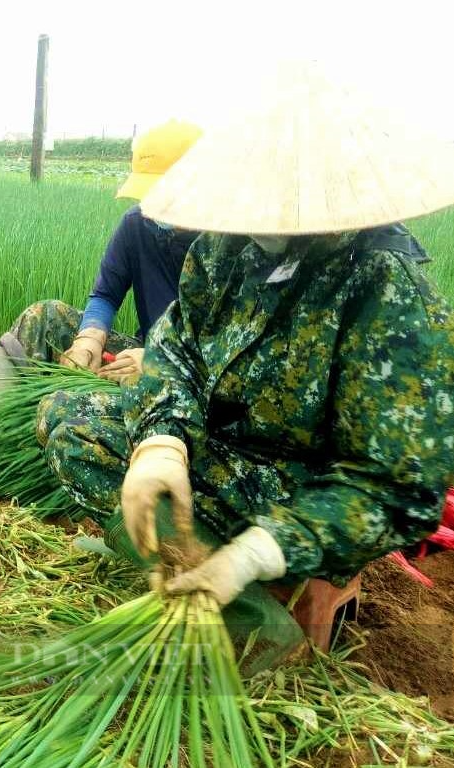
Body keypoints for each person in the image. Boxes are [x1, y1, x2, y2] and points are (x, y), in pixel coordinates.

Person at [38, 63, 454, 651]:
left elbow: (398, 486)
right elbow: (175, 349)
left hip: (305, 492)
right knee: (68, 420)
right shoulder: (224, 250)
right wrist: (163, 442)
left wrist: (263, 550)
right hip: (227, 460)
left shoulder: (384, 289)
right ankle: (189, 562)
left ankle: (260, 602)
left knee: (271, 549)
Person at [0, 120, 203, 432]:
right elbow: (106, 295)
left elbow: (225, 352)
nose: (151, 206)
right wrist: (88, 341)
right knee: (44, 316)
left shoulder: (228, 246)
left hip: (194, 373)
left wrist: (159, 361)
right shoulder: (137, 224)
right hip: (142, 350)